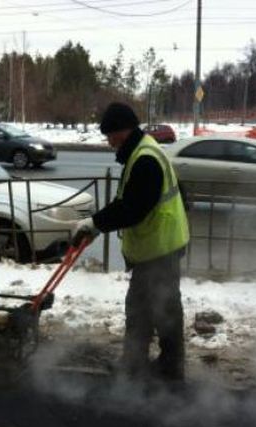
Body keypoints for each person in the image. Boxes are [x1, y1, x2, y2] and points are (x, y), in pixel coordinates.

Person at [72, 102, 189, 383]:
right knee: (154, 308)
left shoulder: (145, 158)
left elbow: (133, 208)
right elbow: (128, 201)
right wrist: (98, 224)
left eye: (110, 136)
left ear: (121, 132)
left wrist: (94, 223)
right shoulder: (142, 151)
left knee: (150, 309)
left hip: (159, 248)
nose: (109, 143)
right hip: (160, 246)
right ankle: (153, 365)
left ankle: (152, 368)